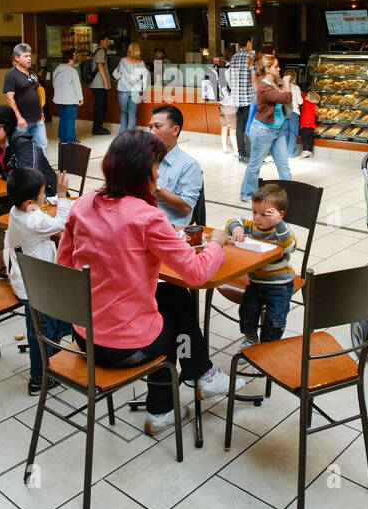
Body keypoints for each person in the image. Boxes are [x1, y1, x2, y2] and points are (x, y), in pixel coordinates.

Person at [57, 131, 243, 435]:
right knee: (174, 313)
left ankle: (199, 375)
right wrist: (217, 244)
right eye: (156, 166)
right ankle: (167, 404)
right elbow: (196, 273)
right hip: (124, 348)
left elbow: (63, 266)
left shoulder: (83, 204)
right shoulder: (147, 217)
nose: (159, 174)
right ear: (142, 171)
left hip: (84, 335)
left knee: (172, 294)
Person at [5, 166, 73, 395]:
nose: (44, 197)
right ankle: (39, 379)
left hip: (22, 279)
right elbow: (63, 222)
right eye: (42, 194)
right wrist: (62, 195)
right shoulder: (36, 221)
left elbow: (38, 214)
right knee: (39, 332)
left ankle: (54, 358)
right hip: (37, 287)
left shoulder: (17, 213)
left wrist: (39, 206)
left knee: (43, 327)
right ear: (28, 202)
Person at [0, 105, 58, 278]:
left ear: (7, 126)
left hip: (41, 198)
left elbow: (27, 174)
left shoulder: (23, 141)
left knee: (18, 224)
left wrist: (1, 175)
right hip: (16, 199)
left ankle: (57, 267)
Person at [226, 183, 297, 346]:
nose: (257, 218)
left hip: (279, 284)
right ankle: (250, 337)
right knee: (247, 310)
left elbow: (290, 246)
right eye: (254, 212)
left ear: (279, 215)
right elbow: (231, 222)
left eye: (264, 214)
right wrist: (236, 227)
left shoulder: (281, 231)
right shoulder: (251, 224)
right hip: (256, 281)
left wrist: (279, 224)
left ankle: (268, 345)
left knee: (275, 318)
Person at [239, 52, 292, 204]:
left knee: (284, 165)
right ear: (268, 69)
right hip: (263, 131)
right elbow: (285, 98)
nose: (279, 69)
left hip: (278, 130)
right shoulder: (264, 87)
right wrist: (287, 84)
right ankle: (246, 194)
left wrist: (283, 82)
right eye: (276, 67)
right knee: (255, 164)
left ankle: (290, 193)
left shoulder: (274, 83)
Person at [147, 104, 202, 228]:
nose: (151, 132)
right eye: (150, 127)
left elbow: (186, 206)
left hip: (169, 228)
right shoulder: (145, 157)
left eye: (157, 127)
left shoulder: (189, 165)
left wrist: (154, 186)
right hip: (142, 222)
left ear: (175, 130)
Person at [3, 42, 47, 153]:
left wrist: (41, 112)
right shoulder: (11, 75)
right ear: (17, 58)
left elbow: (38, 92)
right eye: (25, 56)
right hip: (23, 120)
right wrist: (19, 118)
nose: (29, 59)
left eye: (30, 56)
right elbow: (10, 98)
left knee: (42, 146)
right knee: (20, 149)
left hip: (37, 119)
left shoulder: (32, 73)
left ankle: (41, 169)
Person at [227, 38, 256, 163]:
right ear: (248, 42)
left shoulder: (234, 57)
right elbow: (254, 79)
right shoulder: (251, 57)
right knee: (250, 127)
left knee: (240, 127)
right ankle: (250, 155)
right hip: (249, 98)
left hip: (237, 99)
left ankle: (241, 154)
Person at [113, 42, 150, 134]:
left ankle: (122, 134)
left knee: (123, 112)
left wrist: (120, 76)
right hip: (135, 91)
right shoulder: (141, 63)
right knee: (132, 113)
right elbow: (145, 79)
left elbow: (116, 75)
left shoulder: (123, 61)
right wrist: (144, 90)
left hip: (123, 90)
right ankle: (130, 135)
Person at [51, 50, 83, 145]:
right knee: (70, 120)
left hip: (59, 99)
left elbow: (54, 84)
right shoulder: (72, 71)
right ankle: (70, 140)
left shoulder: (56, 70)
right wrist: (80, 98)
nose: (74, 60)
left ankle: (63, 139)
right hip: (70, 100)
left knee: (63, 119)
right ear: (70, 59)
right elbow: (77, 85)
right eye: (73, 58)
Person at [88, 35, 112, 135]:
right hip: (99, 84)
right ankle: (97, 128)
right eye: (106, 41)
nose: (108, 43)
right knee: (100, 107)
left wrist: (109, 79)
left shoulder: (97, 51)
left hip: (97, 84)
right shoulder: (101, 51)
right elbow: (99, 65)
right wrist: (106, 81)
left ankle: (98, 127)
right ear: (101, 41)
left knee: (100, 106)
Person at [280, 69, 302, 159]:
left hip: (284, 112)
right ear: (294, 78)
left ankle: (284, 153)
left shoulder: (281, 87)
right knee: (293, 133)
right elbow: (300, 102)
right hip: (294, 112)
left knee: (284, 132)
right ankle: (291, 153)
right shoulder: (296, 88)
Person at [218, 78, 238, 155]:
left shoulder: (216, 71)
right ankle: (236, 151)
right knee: (233, 129)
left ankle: (224, 148)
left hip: (221, 103)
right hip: (229, 105)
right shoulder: (229, 72)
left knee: (224, 126)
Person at [298, 89, 319, 158]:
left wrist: (299, 91)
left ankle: (305, 151)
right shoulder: (313, 106)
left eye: (307, 95)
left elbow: (302, 97)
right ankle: (310, 151)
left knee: (303, 138)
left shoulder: (307, 104)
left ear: (309, 98)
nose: (306, 96)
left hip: (306, 125)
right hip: (312, 126)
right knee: (310, 138)